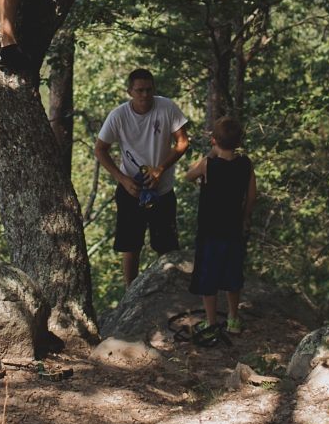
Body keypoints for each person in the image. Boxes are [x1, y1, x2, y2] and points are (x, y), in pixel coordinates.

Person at [95, 69, 192, 286]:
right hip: (131, 188)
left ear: (154, 89)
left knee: (165, 246)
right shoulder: (118, 116)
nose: (145, 95)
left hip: (163, 189)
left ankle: (165, 288)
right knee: (131, 246)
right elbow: (100, 149)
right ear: (130, 91)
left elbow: (183, 142)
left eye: (149, 90)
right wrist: (122, 178)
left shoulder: (167, 107)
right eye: (139, 90)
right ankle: (131, 292)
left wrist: (161, 169)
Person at [183, 115, 257, 335]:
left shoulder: (208, 165)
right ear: (239, 142)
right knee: (233, 276)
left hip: (209, 232)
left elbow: (188, 176)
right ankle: (233, 319)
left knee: (209, 277)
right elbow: (252, 197)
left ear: (214, 140)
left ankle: (212, 322)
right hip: (233, 231)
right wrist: (242, 218)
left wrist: (209, 153)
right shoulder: (245, 163)